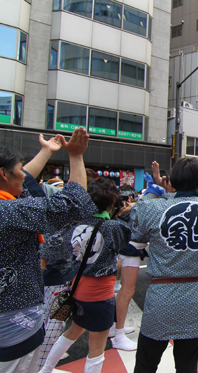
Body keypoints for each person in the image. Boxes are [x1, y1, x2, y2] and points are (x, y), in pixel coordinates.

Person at [0, 129, 97, 373]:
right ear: (3, 173)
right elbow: (75, 205)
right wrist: (75, 156)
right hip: (12, 329)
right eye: (20, 168)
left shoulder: (9, 206)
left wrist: (46, 151)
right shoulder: (9, 213)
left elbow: (21, 182)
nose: (25, 174)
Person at [131, 159, 198, 373]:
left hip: (161, 296)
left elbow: (139, 212)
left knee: (145, 364)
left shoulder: (154, 208)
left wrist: (155, 188)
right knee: (187, 365)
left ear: (173, 183)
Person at [39, 177, 133, 373]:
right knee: (96, 349)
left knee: (70, 333)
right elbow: (125, 238)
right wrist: (120, 214)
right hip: (101, 295)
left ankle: (45, 369)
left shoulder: (76, 224)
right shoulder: (113, 227)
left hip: (77, 289)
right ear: (111, 202)